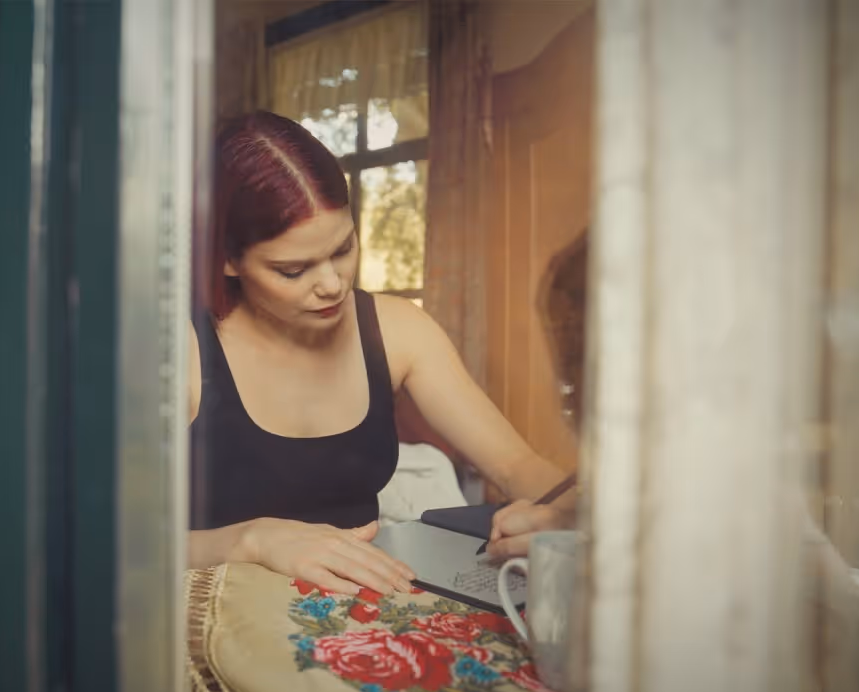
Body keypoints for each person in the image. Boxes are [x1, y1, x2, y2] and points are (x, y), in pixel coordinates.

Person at [187, 111, 573, 596]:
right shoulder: (181, 354)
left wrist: (577, 515)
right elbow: (118, 543)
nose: (333, 284)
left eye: (343, 249)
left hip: (364, 609)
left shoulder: (398, 329)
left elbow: (515, 466)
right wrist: (252, 539)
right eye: (293, 270)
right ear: (227, 260)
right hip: (217, 614)